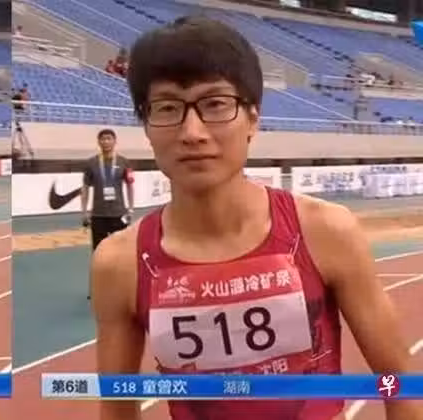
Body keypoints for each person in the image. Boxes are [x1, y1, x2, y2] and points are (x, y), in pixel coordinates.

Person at [90, 17, 423, 420]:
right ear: (146, 125)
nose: (192, 132)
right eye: (167, 108)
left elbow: (398, 382)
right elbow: (116, 408)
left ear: (253, 117)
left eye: (215, 104)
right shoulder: (119, 264)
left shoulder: (326, 231)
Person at [81, 128, 133, 299]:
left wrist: (130, 208)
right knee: (98, 254)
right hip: (98, 215)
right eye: (103, 139)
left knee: (122, 253)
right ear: (99, 142)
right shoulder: (91, 163)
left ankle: (123, 287)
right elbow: (85, 188)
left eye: (109, 138)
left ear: (114, 141)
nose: (106, 142)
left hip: (119, 214)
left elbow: (130, 185)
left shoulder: (124, 162)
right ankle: (98, 288)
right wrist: (84, 211)